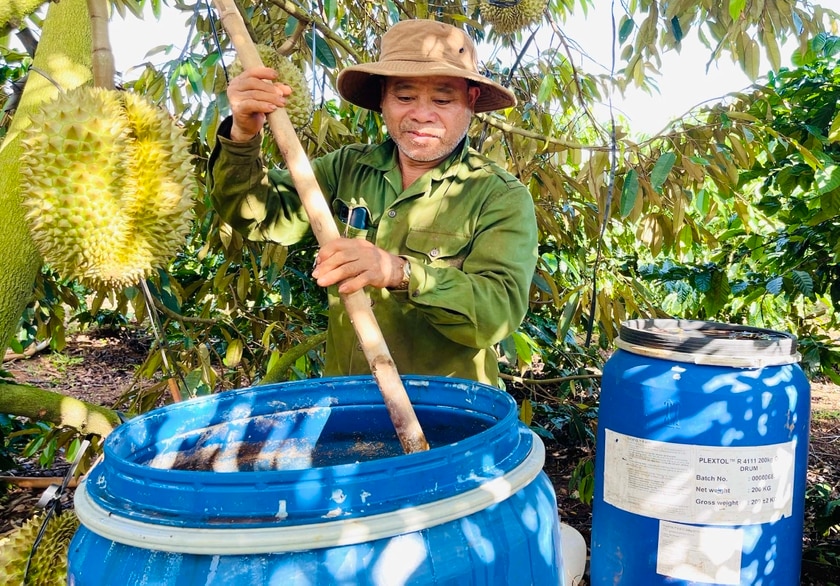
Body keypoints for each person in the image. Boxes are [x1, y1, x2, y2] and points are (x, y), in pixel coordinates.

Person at [209, 19, 538, 386]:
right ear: (383, 98)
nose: (422, 114)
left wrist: (400, 272)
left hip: (450, 409)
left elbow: (497, 311)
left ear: (470, 101)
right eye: (405, 97)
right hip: (350, 397)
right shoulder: (346, 167)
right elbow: (258, 215)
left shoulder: (498, 196)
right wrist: (242, 133)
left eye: (443, 100)